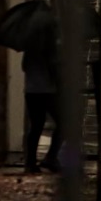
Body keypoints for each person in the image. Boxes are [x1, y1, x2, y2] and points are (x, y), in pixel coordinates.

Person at [22, 10, 62, 173]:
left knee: (36, 126)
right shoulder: (49, 47)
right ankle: (51, 157)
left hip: (32, 91)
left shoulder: (29, 46)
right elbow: (54, 70)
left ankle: (31, 162)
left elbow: (24, 67)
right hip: (47, 91)